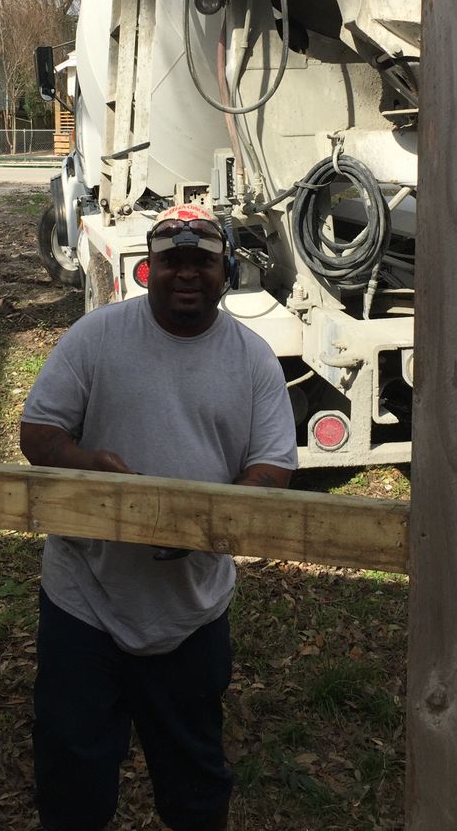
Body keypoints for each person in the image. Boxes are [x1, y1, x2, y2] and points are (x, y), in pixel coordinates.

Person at [20, 202, 298, 831]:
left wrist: (209, 524)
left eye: (201, 260)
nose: (187, 274)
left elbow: (273, 465)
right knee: (72, 772)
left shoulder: (252, 360)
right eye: (172, 260)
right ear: (150, 268)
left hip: (191, 607)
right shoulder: (98, 338)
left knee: (195, 778)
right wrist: (93, 468)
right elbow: (38, 434)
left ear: (225, 269)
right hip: (84, 598)